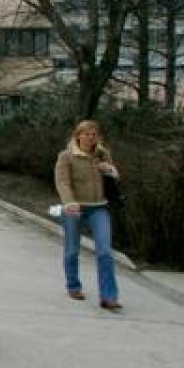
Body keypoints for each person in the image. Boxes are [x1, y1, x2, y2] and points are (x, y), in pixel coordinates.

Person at [55, 120, 121, 311]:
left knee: (105, 251)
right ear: (78, 136)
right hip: (74, 208)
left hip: (98, 207)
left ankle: (108, 296)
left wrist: (110, 170)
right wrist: (69, 202)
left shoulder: (102, 154)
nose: (91, 138)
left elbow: (115, 178)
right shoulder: (66, 156)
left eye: (94, 134)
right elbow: (62, 182)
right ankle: (73, 286)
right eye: (86, 134)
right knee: (72, 250)